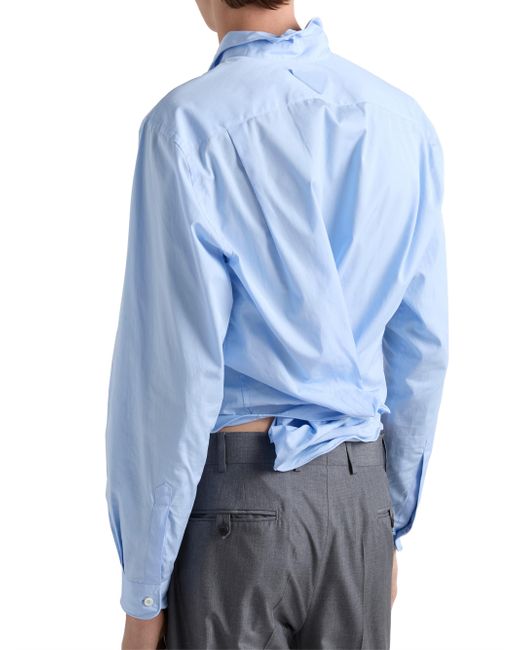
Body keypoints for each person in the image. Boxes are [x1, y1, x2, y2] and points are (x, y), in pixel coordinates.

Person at [104, 0, 449, 648]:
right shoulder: (403, 122)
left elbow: (172, 379)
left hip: (239, 508)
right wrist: (387, 521)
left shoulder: (186, 127)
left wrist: (145, 591)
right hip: (359, 501)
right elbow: (421, 349)